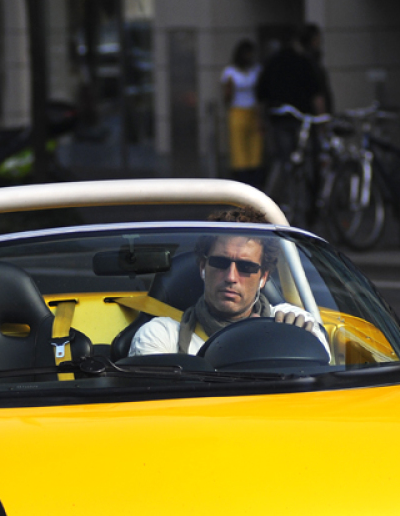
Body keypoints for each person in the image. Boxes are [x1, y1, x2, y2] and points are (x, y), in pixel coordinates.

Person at [130, 209, 327, 356]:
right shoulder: (161, 336)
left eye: (246, 267)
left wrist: (300, 342)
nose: (231, 277)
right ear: (202, 268)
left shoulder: (292, 323)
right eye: (220, 262)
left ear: (264, 277)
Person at [255, 24, 327, 174]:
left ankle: (279, 193)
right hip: (303, 118)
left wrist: (261, 119)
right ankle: (304, 193)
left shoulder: (273, 61)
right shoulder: (306, 62)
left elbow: (261, 94)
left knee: (283, 161)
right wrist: (322, 120)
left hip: (279, 117)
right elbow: (316, 95)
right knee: (305, 160)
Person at [222, 39, 263, 186]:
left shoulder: (256, 70)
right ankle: (241, 178)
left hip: (253, 112)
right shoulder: (230, 72)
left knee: (255, 149)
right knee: (239, 148)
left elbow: (259, 94)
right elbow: (227, 95)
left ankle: (255, 180)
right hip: (237, 112)